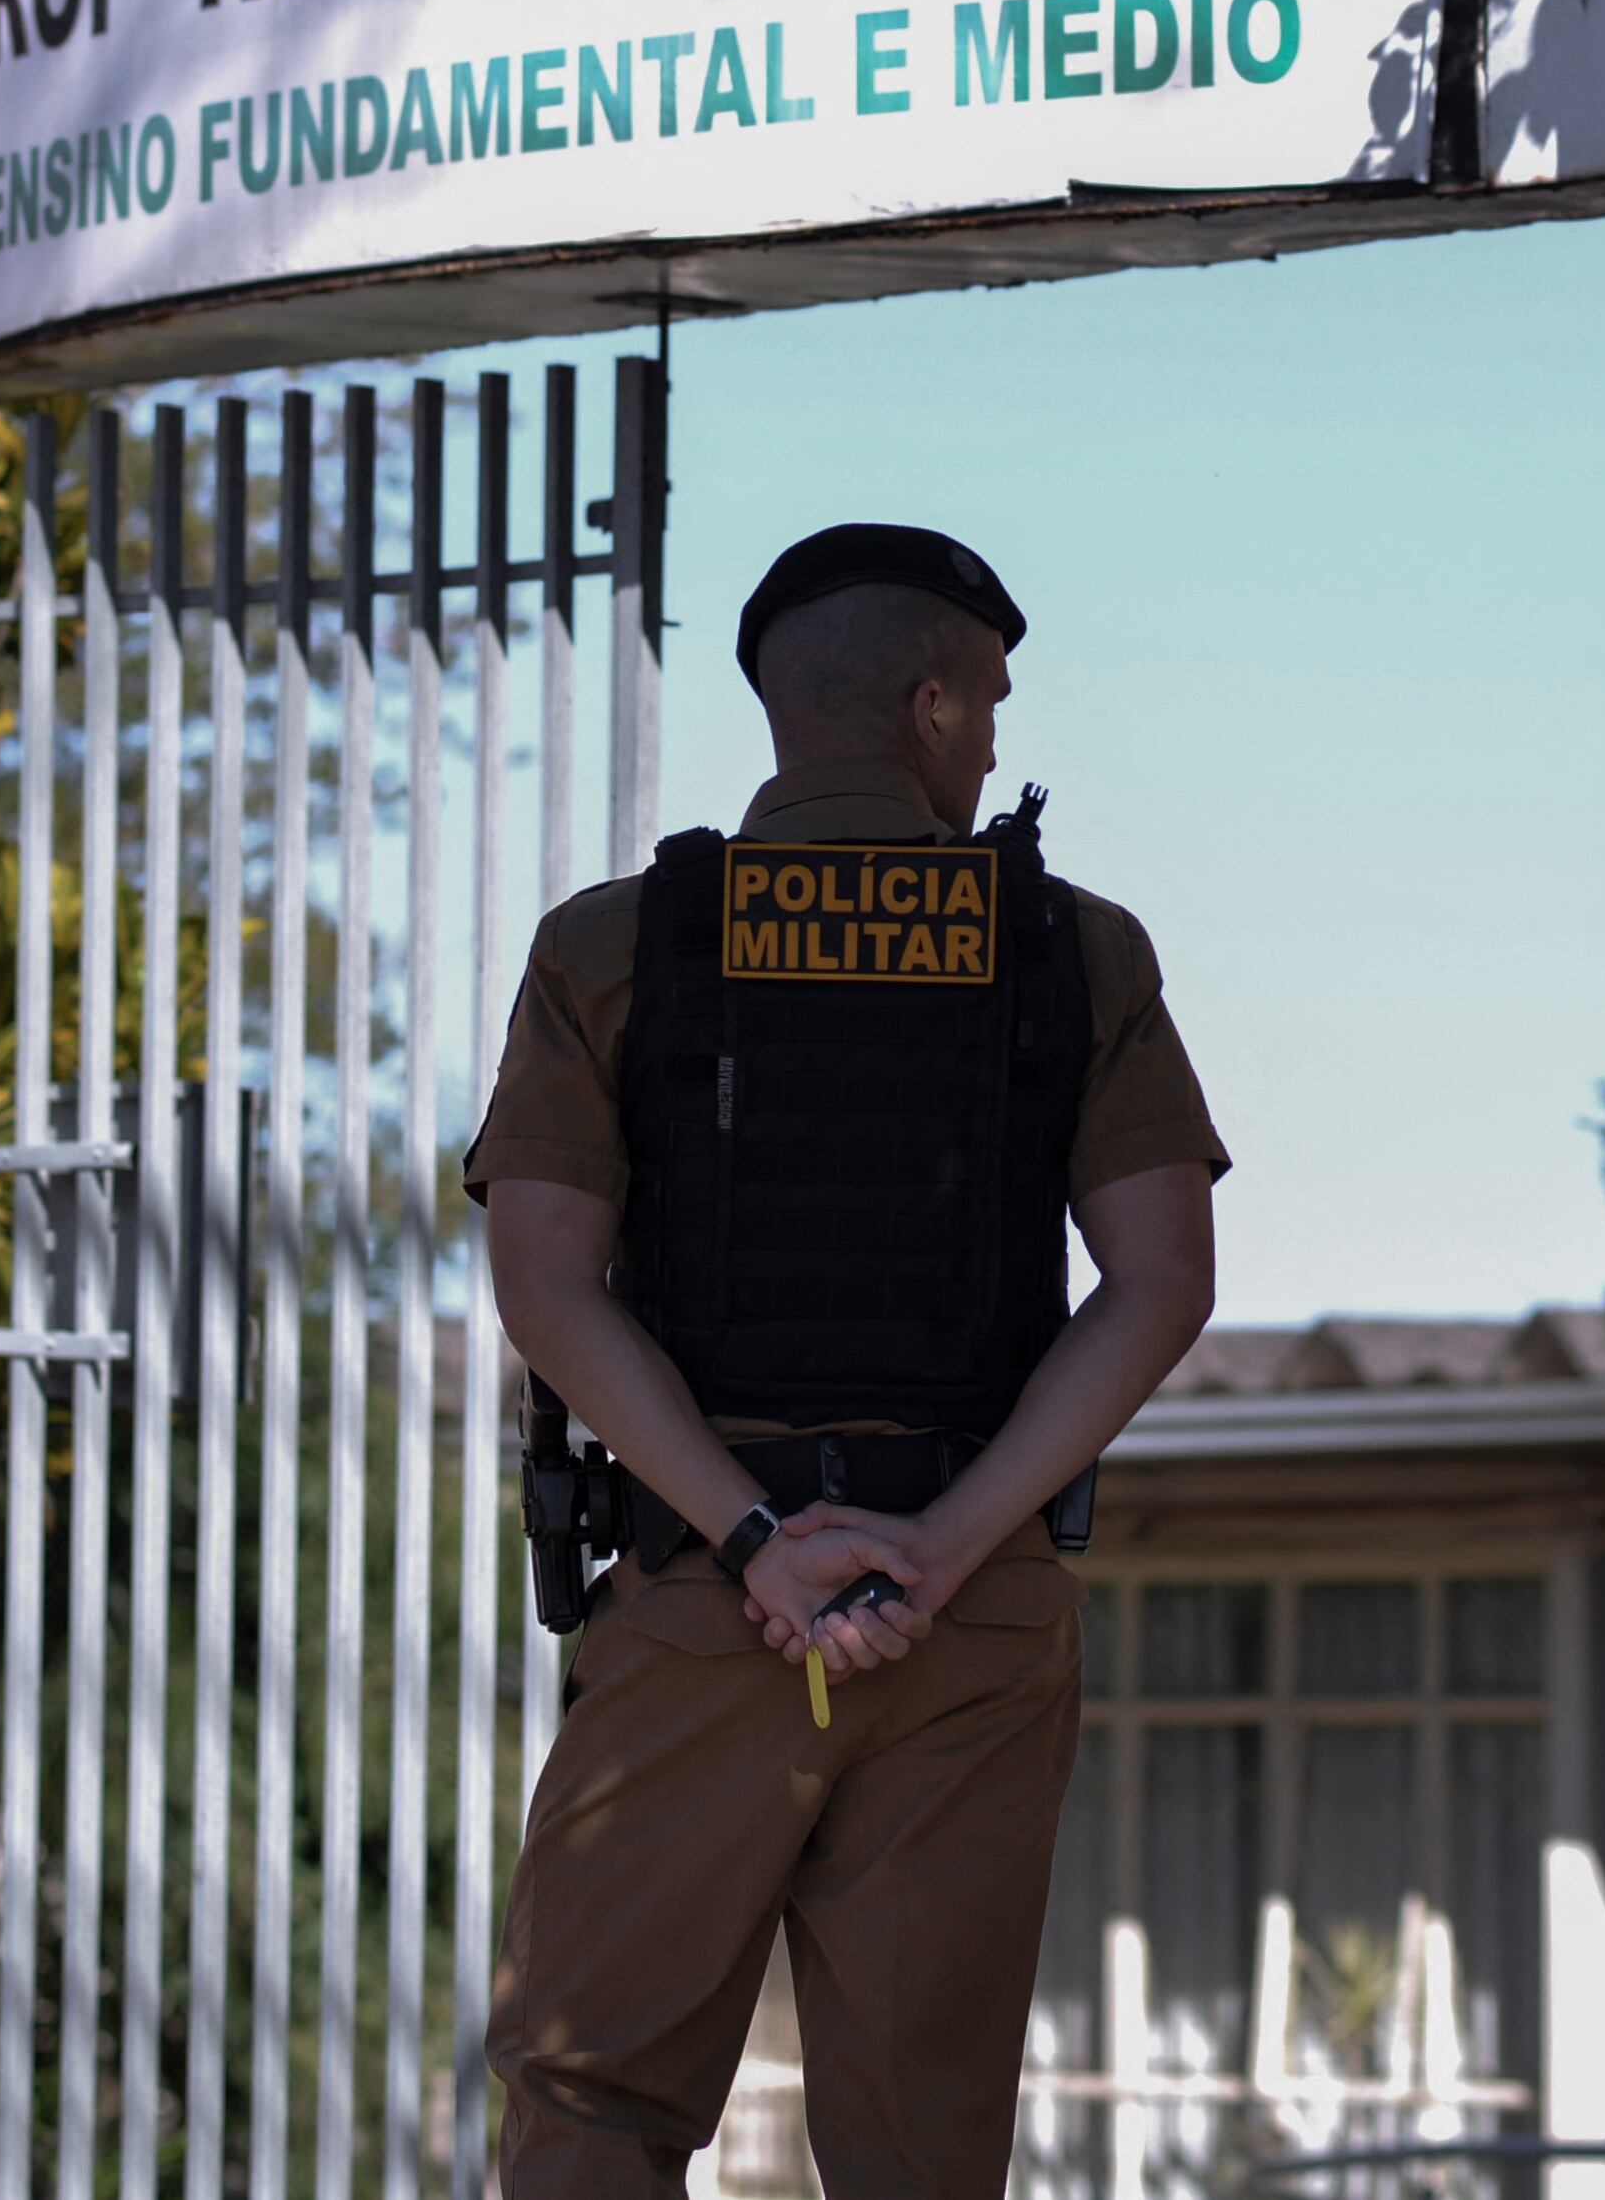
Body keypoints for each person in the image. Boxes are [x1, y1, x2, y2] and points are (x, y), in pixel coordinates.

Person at [469, 522, 1224, 2198]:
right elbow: (1161, 1284)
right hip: (966, 1618)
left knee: (592, 2100)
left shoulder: (617, 945)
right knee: (919, 2147)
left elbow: (547, 1286)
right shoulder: (1074, 946)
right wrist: (942, 1552)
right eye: (992, 707)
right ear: (931, 708)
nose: (996, 747)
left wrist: (757, 1540)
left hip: (707, 1601)